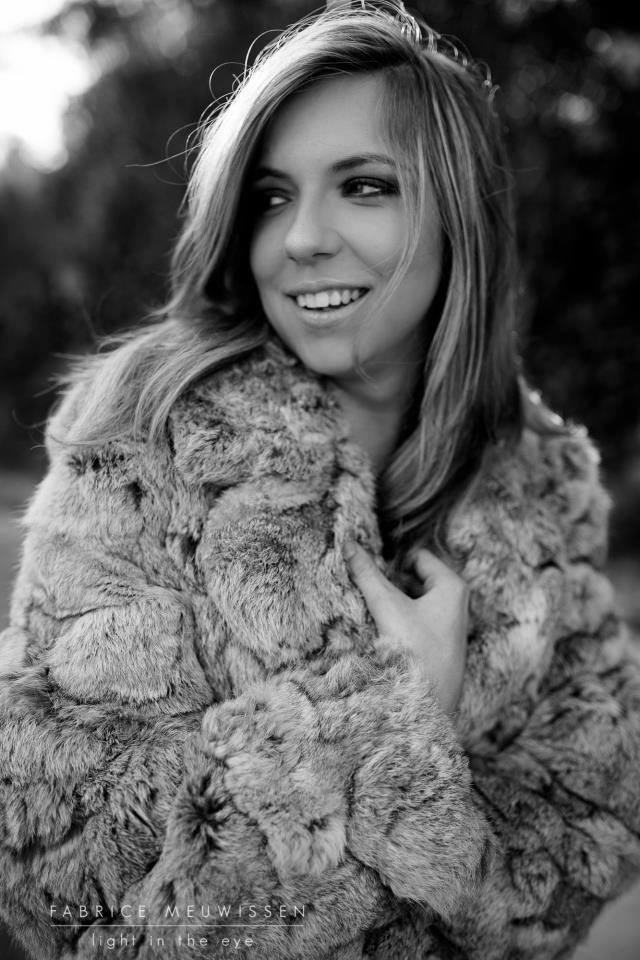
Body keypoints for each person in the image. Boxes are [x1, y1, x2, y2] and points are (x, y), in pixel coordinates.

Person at [1, 2, 639, 958]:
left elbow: (584, 843)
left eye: (364, 186)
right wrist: (392, 721)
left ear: (458, 215)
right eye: (269, 196)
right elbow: (67, 890)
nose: (301, 238)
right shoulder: (147, 442)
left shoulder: (544, 488)